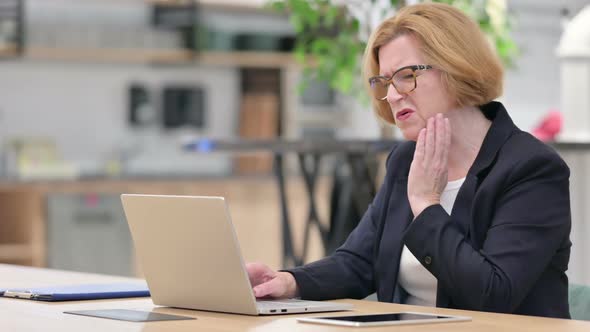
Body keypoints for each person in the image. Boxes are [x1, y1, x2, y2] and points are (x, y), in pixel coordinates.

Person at [247, 2, 572, 318]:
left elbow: (493, 294)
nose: (391, 95)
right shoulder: (406, 159)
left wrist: (426, 205)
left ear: (456, 67)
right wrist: (289, 282)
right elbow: (360, 262)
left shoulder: (531, 168)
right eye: (384, 82)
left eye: (406, 75)